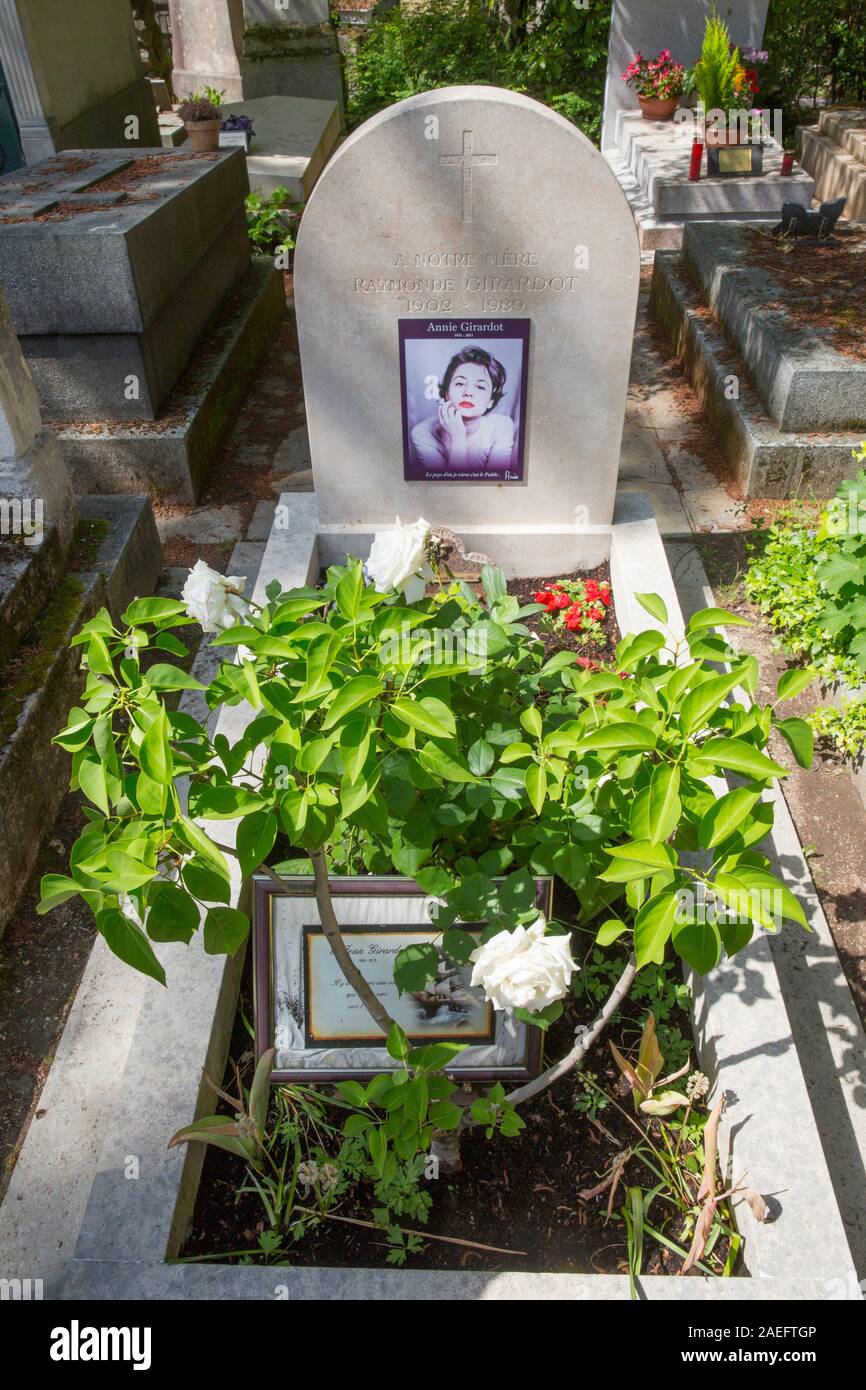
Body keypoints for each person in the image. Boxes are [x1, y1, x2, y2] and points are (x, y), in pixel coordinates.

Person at [411, 346, 515, 473]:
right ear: (446, 393)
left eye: (480, 387)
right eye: (460, 384)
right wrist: (458, 438)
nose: (468, 393)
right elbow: (448, 488)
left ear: (491, 401)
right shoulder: (423, 433)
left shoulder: (502, 426)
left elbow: (497, 483)